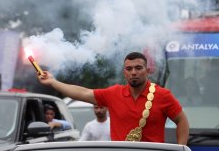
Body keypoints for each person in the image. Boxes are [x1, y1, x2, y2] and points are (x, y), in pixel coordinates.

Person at [36, 52, 189, 144]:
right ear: (125, 73)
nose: (133, 72)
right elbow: (83, 93)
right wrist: (53, 82)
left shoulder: (162, 95)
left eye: (138, 68)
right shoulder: (114, 93)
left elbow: (182, 120)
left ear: (146, 71)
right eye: (129, 69)